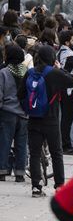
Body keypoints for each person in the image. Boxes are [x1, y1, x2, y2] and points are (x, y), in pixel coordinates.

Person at [27, 45, 71, 197]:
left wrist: (29, 109)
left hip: (33, 119)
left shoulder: (30, 72)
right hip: (51, 118)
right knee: (56, 153)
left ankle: (36, 187)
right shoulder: (54, 73)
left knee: (34, 153)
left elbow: (21, 94)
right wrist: (60, 68)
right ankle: (59, 186)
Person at [0, 44, 28, 182]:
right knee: (21, 143)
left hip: (7, 112)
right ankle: (20, 173)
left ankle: (2, 171)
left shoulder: (4, 72)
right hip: (23, 113)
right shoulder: (27, 71)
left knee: (5, 141)